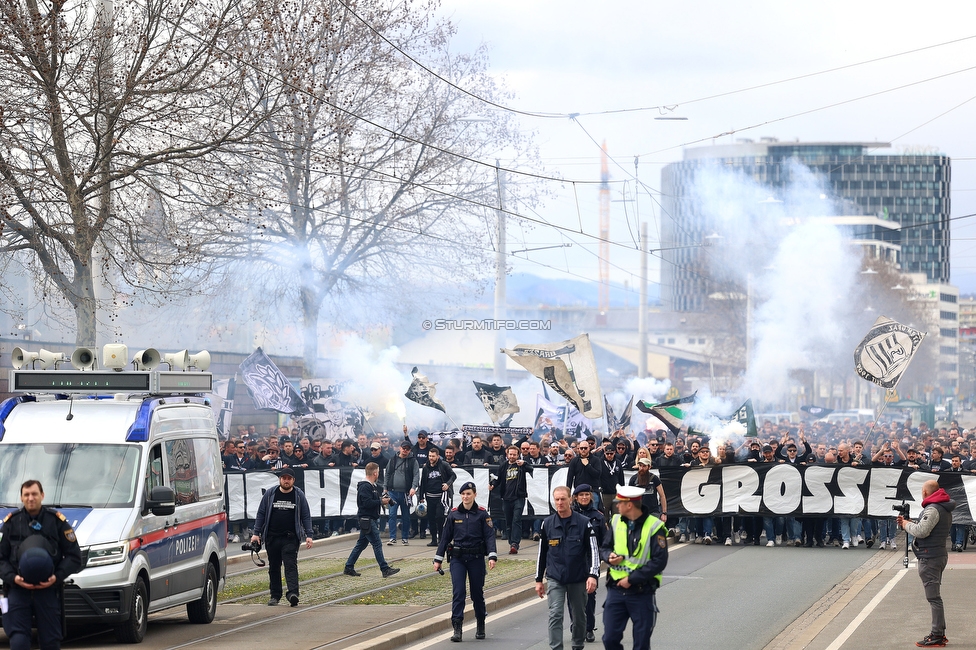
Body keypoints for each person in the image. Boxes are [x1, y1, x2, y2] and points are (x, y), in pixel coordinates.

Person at [0, 480, 82, 650]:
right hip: (17, 591)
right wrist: (13, 578)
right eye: (26, 495)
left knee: (51, 642)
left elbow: (74, 557)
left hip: (48, 592)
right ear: (21, 498)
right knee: (19, 642)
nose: (31, 498)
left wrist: (56, 577)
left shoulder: (57, 522)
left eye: (34, 494)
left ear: (42, 495)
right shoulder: (10, 524)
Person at [601, 485, 668, 650]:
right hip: (616, 591)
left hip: (641, 592)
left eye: (620, 503)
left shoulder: (655, 526)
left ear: (629, 505)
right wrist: (609, 557)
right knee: (609, 639)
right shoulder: (616, 521)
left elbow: (659, 561)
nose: (617, 506)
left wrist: (632, 579)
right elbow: (605, 547)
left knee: (641, 643)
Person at [535, 486, 599, 650]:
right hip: (556, 577)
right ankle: (556, 647)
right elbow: (542, 553)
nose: (560, 502)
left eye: (563, 499)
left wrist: (593, 575)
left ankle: (577, 644)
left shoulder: (584, 523)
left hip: (578, 577)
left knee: (578, 616)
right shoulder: (547, 524)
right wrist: (538, 580)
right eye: (557, 499)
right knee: (555, 613)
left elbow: (593, 550)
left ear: (570, 499)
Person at [434, 481, 498, 642]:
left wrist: (492, 555)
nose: (465, 497)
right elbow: (445, 538)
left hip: (476, 558)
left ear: (475, 495)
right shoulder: (454, 514)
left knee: (477, 593)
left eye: (468, 494)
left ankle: (481, 624)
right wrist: (438, 558)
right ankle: (457, 628)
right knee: (459, 592)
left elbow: (490, 536)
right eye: (463, 494)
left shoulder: (483, 514)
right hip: (458, 559)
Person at [898, 479, 954, 647]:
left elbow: (922, 531)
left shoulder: (933, 509)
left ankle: (937, 634)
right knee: (935, 596)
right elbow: (927, 529)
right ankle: (939, 632)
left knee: (933, 597)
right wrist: (908, 524)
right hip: (937, 553)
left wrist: (907, 524)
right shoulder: (943, 507)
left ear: (925, 493)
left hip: (930, 556)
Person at [251, 466, 314, 606]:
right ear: (280, 479)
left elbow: (305, 515)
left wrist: (309, 535)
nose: (286, 481)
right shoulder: (270, 494)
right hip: (272, 537)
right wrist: (256, 534)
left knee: (290, 565)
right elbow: (261, 513)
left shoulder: (298, 495)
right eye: (284, 478)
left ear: (293, 480)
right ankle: (275, 595)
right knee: (274, 566)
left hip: (290, 538)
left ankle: (293, 593)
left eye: (289, 479)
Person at [344, 462, 401, 578]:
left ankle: (349, 567)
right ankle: (384, 569)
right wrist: (381, 501)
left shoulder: (370, 486)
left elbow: (369, 500)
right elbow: (366, 503)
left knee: (361, 544)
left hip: (368, 519)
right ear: (375, 473)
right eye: (378, 472)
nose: (378, 474)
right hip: (367, 519)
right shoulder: (366, 486)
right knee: (377, 543)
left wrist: (381, 499)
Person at [572, 484, 606, 643]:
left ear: (591, 497)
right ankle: (576, 624)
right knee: (572, 596)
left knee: (589, 595)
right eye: (581, 495)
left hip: (591, 560)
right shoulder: (570, 515)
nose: (584, 497)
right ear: (576, 497)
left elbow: (605, 541)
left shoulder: (598, 516)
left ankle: (589, 628)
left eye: (587, 495)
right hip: (573, 560)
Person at [491, 445, 533, 554]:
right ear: (507, 454)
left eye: (514, 454)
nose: (512, 456)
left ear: (518, 455)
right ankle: (511, 543)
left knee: (516, 520)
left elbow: (531, 469)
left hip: (519, 497)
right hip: (506, 498)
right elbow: (497, 479)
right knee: (508, 522)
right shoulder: (503, 466)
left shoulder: (521, 465)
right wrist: (493, 485)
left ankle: (515, 543)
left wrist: (524, 464)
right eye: (511, 454)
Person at [419, 446, 456, 547]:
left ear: (438, 456)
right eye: (429, 456)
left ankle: (442, 538)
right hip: (429, 496)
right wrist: (421, 496)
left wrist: (447, 484)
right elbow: (422, 482)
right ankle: (434, 539)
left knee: (440, 518)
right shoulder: (426, 467)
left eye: (433, 456)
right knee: (431, 518)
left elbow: (453, 475)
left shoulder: (444, 465)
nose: (431, 458)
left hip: (442, 496)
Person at [385, 440, 420, 545]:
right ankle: (392, 537)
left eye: (407, 449)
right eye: (404, 448)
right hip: (392, 492)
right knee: (392, 515)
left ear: (410, 450)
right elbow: (387, 474)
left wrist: (413, 487)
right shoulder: (393, 460)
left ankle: (405, 537)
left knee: (406, 516)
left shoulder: (413, 461)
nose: (405, 450)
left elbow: (416, 475)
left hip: (406, 493)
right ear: (400, 448)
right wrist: (385, 488)